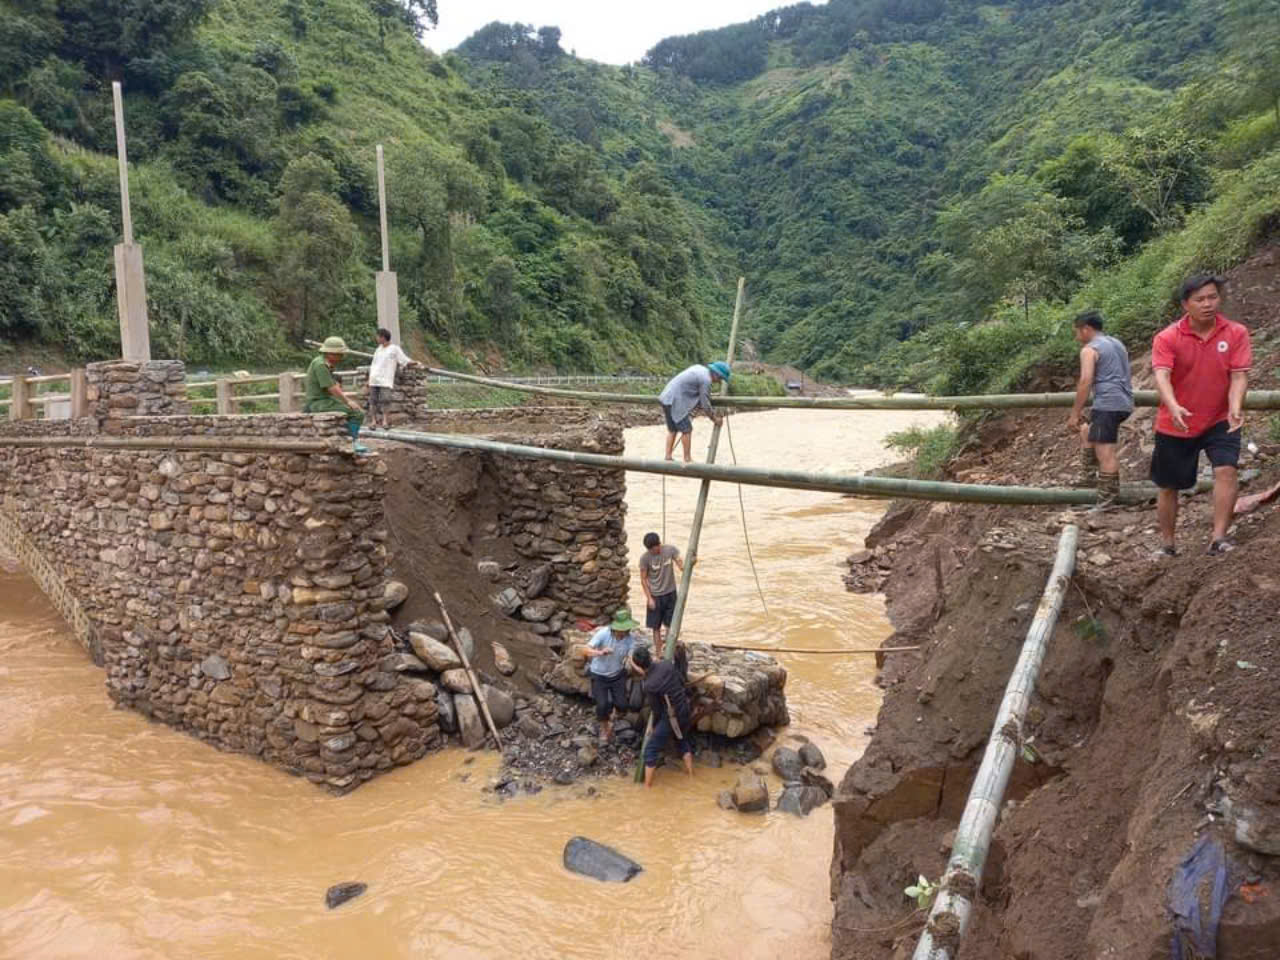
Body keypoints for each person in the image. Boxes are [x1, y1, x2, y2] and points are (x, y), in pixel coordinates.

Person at [1150, 274, 1251, 557]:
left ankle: (1219, 538)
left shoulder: (1236, 333)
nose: (1208, 304)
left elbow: (1239, 376)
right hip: (1177, 422)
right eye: (1200, 299)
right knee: (1170, 485)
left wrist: (1235, 406)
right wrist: (1172, 405)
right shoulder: (1167, 338)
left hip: (1220, 418)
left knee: (1227, 470)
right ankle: (1168, 545)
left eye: (1213, 297)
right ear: (1185, 304)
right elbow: (1161, 375)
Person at [1066, 310, 1133, 508]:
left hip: (1108, 404)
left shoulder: (1090, 349)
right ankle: (1088, 477)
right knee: (1087, 431)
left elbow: (1085, 381)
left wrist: (1075, 413)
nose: (1076, 337)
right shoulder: (1116, 344)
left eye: (1077, 332)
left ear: (1086, 329)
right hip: (1123, 402)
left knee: (1106, 453)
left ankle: (1108, 500)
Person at [630, 645, 694, 787]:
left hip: (671, 717)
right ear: (650, 657)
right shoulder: (666, 665)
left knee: (650, 749)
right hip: (684, 709)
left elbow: (656, 709)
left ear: (640, 666)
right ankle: (691, 776)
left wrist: (654, 726)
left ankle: (647, 787)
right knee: (682, 739)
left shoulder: (649, 684)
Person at [582, 607, 639, 745]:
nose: (624, 633)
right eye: (622, 630)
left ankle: (612, 719)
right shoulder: (603, 634)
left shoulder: (630, 639)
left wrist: (638, 668)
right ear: (615, 628)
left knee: (622, 705)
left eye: (626, 630)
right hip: (599, 675)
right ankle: (604, 728)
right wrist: (600, 652)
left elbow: (631, 656)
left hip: (617, 674)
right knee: (602, 705)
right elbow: (584, 650)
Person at [304, 336, 368, 454]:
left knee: (349, 412)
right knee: (357, 413)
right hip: (318, 402)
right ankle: (352, 442)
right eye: (340, 354)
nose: (341, 357)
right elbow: (331, 388)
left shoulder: (323, 363)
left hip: (323, 399)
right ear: (331, 353)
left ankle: (346, 438)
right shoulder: (320, 365)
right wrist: (348, 401)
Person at [659, 361, 730, 463]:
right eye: (720, 378)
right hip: (676, 400)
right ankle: (687, 459)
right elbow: (705, 403)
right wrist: (715, 419)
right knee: (687, 430)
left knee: (673, 430)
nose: (718, 381)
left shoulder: (699, 369)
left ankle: (668, 456)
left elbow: (699, 393)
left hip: (666, 397)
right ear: (716, 374)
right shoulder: (706, 380)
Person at [639, 532, 684, 654]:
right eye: (650, 550)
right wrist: (649, 598)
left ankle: (670, 650)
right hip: (655, 595)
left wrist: (685, 564)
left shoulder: (670, 550)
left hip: (670, 593)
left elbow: (680, 563)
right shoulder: (645, 558)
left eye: (654, 549)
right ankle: (659, 652)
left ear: (659, 544)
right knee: (656, 627)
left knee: (670, 625)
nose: (652, 551)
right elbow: (643, 579)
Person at [367, 328, 419, 429]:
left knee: (385, 400)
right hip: (374, 379)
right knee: (373, 401)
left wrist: (415, 362)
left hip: (386, 379)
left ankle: (385, 421)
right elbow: (373, 364)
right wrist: (369, 378)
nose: (376, 338)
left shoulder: (394, 349)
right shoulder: (378, 349)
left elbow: (404, 359)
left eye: (378, 336)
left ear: (383, 337)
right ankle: (373, 422)